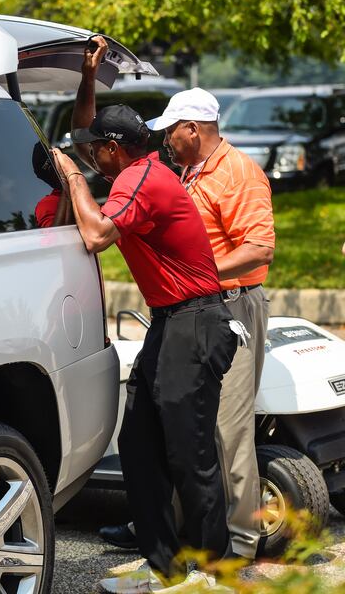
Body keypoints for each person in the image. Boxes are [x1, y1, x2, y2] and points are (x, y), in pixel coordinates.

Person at [53, 38, 237, 594]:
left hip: (197, 321)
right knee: (138, 446)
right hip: (169, 321)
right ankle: (166, 568)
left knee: (190, 452)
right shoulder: (131, 168)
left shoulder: (143, 181)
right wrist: (88, 80)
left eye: (93, 151)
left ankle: (214, 572)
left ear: (114, 150)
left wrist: (75, 181)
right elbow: (89, 127)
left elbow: (96, 234)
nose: (86, 156)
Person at [101, 87, 275, 562]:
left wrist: (196, 273)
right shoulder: (186, 172)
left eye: (171, 132)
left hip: (231, 305)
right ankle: (176, 531)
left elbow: (259, 249)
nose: (165, 141)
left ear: (192, 129)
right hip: (193, 307)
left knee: (225, 429)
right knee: (179, 427)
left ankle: (238, 543)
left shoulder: (239, 172)